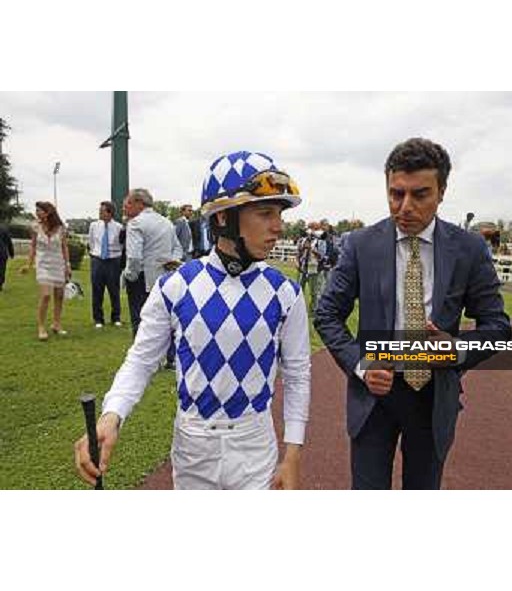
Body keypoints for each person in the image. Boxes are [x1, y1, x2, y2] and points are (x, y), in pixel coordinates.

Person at [74, 150, 311, 490]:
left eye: (279, 214)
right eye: (265, 213)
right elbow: (141, 361)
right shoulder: (174, 285)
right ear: (222, 218)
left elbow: (298, 374)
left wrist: (292, 455)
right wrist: (112, 416)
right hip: (192, 448)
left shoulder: (286, 292)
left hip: (255, 446)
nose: (278, 226)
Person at [314, 138, 511, 490]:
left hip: (433, 398)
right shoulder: (361, 244)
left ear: (442, 192)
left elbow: (498, 328)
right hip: (374, 395)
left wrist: (455, 349)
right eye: (395, 194)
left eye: (419, 195)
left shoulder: (469, 249)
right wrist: (362, 364)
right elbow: (327, 313)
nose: (404, 206)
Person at [121, 188, 183, 337]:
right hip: (164, 277)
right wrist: (170, 262)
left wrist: (129, 275)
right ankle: (169, 357)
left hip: (141, 279)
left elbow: (134, 257)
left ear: (139, 203)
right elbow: (178, 248)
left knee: (141, 321)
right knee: (164, 320)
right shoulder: (167, 222)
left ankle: (143, 358)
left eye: (128, 203)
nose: (125, 207)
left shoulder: (135, 223)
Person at [20, 201, 71, 340]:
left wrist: (67, 265)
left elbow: (64, 247)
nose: (37, 213)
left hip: (58, 265)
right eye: (36, 210)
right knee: (46, 295)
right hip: (43, 265)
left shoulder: (61, 228)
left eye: (40, 210)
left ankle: (56, 324)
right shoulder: (35, 227)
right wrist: (28, 264)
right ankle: (41, 327)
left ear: (48, 212)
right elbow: (33, 246)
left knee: (59, 296)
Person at [88, 201, 123, 328]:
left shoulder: (118, 227)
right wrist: (95, 255)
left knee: (114, 290)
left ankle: (116, 317)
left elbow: (121, 245)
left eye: (102, 211)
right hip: (98, 260)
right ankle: (98, 319)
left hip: (113, 261)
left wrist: (115, 255)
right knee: (97, 290)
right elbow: (91, 242)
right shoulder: (93, 226)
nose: (100, 213)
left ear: (110, 213)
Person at [0, 224, 15, 292]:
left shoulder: (3, 229)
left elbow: (9, 242)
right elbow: (9, 242)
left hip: (2, 253)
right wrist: (11, 253)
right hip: (2, 253)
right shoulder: (4, 229)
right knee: (2, 269)